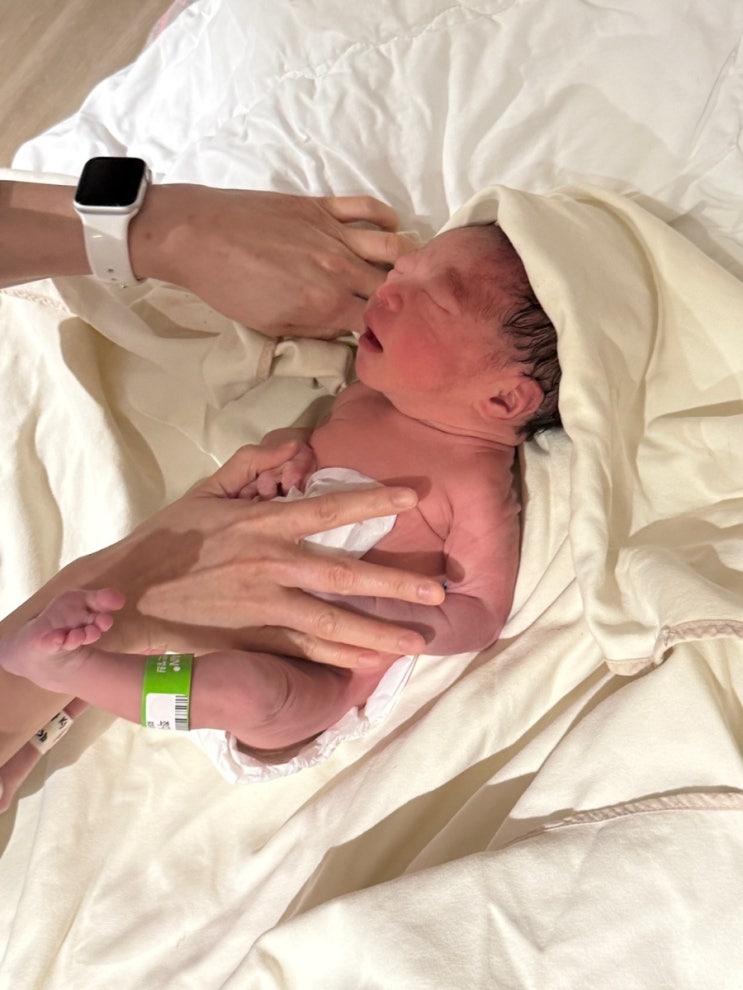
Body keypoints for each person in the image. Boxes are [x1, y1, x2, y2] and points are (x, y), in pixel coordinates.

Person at [0, 223, 561, 773]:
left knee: (251, 695)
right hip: (216, 596)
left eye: (434, 301)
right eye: (402, 271)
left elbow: (479, 614)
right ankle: (40, 728)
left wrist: (369, 607)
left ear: (505, 399)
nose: (388, 290)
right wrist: (286, 451)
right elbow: (306, 442)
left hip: (310, 671)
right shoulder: (366, 397)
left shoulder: (474, 480)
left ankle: (70, 671)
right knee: (123, 637)